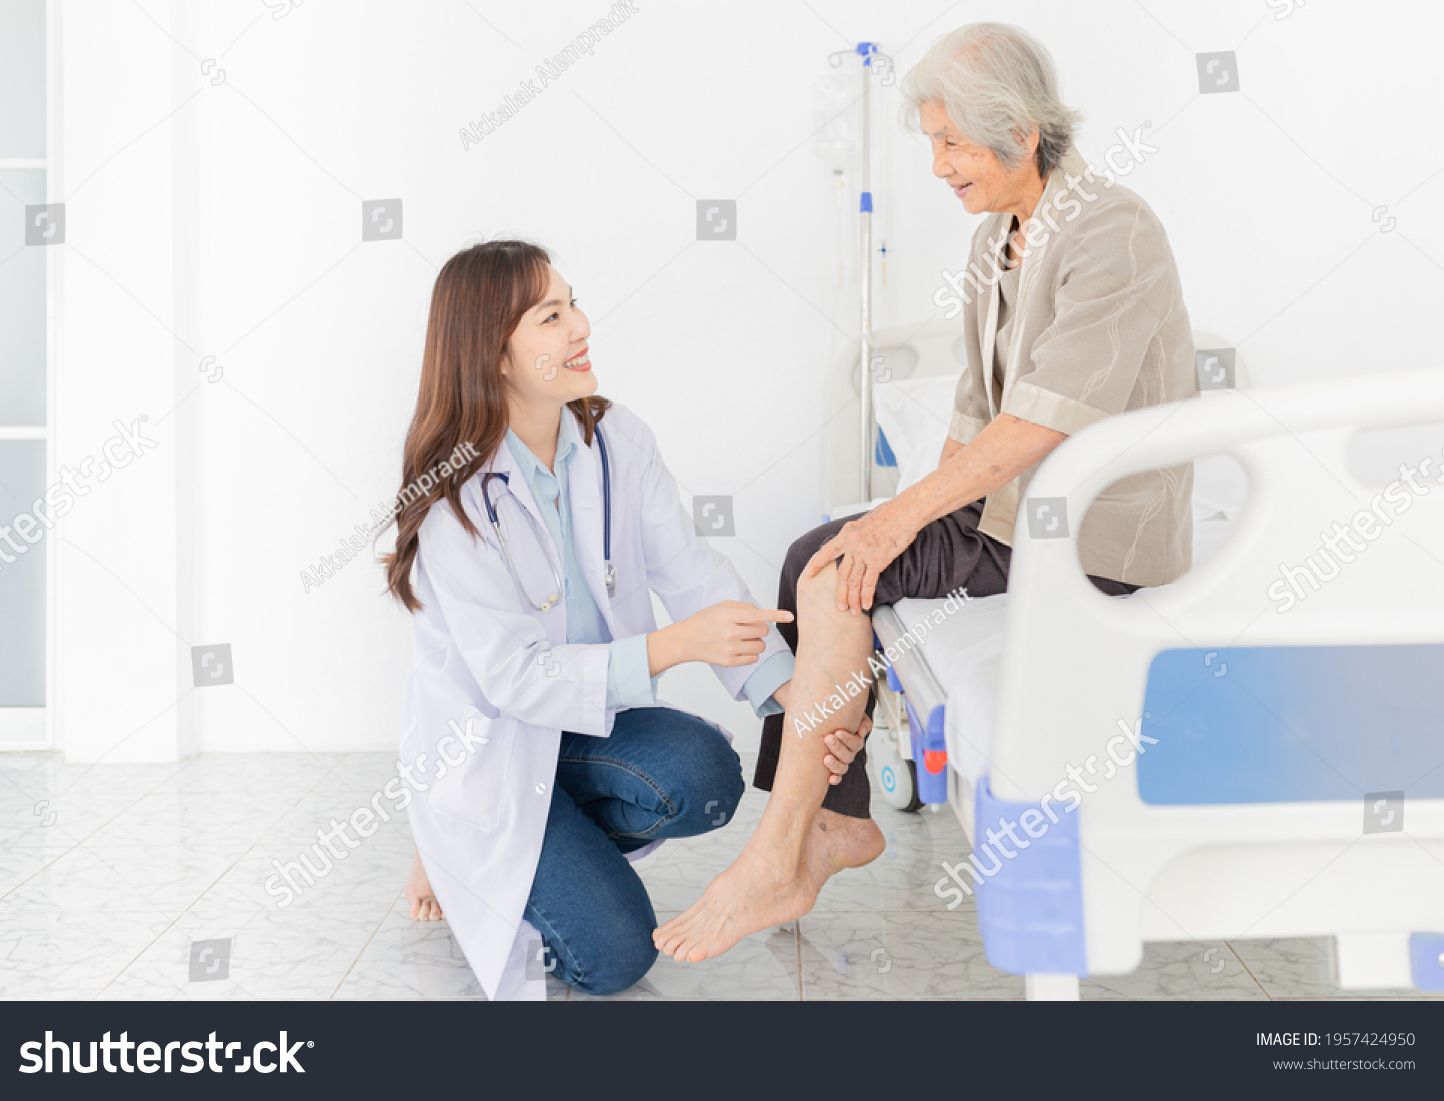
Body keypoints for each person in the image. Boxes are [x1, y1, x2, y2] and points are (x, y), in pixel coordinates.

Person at [654, 21, 1197, 963]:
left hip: (1086, 540)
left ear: (1022, 134)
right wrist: (888, 525)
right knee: (823, 556)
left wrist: (893, 528)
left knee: (829, 570)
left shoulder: (1112, 229)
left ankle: (786, 846)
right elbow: (970, 413)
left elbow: (1040, 422)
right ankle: (831, 818)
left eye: (952, 141)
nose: (940, 164)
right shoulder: (998, 240)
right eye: (933, 141)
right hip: (1014, 519)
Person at [384, 240, 865, 998]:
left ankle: (549, 849)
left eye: (573, 302)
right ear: (495, 354)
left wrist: (790, 693)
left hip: (582, 730)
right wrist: (675, 646)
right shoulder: (455, 496)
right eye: (550, 315)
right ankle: (463, 850)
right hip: (493, 752)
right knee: (615, 960)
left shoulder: (613, 439)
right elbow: (513, 680)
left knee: (706, 774)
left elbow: (691, 569)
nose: (579, 325)